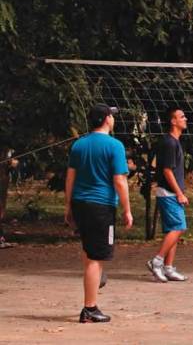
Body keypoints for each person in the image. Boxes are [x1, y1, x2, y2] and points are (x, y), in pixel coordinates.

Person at [64, 104, 133, 323]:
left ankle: (93, 282)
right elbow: (120, 181)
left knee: (89, 251)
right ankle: (90, 309)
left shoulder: (79, 145)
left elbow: (70, 178)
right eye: (111, 116)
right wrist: (127, 209)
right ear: (105, 119)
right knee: (96, 257)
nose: (113, 119)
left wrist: (68, 207)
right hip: (100, 206)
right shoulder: (115, 146)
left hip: (80, 204)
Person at [147, 108, 190, 283]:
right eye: (181, 117)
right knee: (178, 227)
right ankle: (156, 261)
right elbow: (166, 170)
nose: (185, 119)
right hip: (169, 193)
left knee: (173, 230)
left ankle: (168, 267)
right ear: (173, 121)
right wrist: (179, 193)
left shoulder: (175, 142)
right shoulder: (169, 143)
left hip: (171, 193)